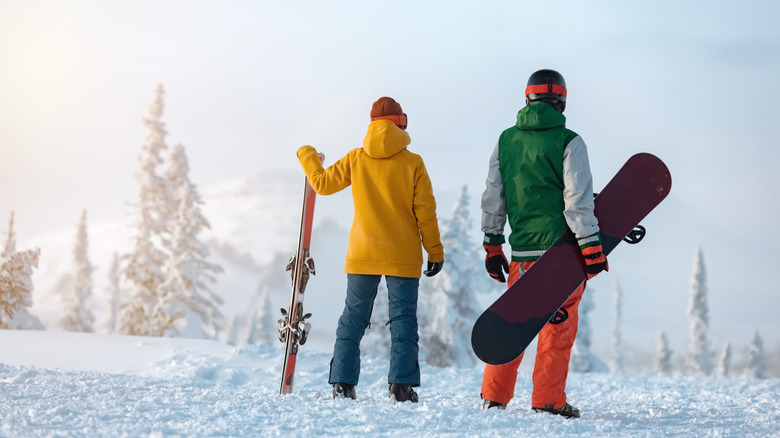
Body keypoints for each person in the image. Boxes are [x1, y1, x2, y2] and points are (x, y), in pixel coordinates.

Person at [296, 96, 444, 403]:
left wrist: (307, 154)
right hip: (402, 256)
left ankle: (342, 384)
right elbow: (426, 213)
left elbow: (321, 184)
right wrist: (435, 252)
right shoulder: (413, 163)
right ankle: (401, 387)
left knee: (353, 319)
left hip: (363, 254)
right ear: (400, 124)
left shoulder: (356, 158)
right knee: (403, 320)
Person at [479, 69, 608, 418]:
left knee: (513, 324)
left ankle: (494, 397)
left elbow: (494, 198)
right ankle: (548, 401)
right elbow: (577, 202)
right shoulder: (570, 142)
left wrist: (492, 246)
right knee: (557, 329)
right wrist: (591, 248)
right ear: (562, 102)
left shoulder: (505, 141)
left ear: (528, 98)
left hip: (521, 256)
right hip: (561, 257)